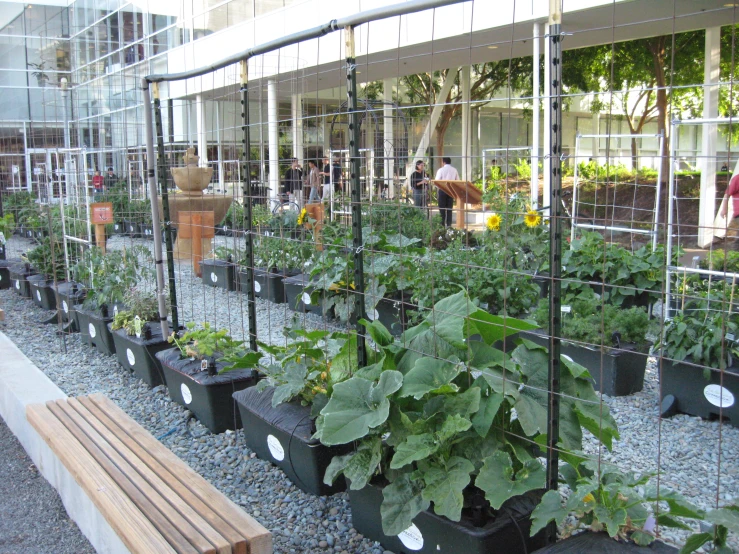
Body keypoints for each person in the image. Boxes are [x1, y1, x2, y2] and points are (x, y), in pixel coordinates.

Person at [434, 156, 459, 227]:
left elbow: (436, 182)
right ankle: (449, 225)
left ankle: (442, 225)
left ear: (443, 162)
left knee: (442, 208)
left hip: (442, 190)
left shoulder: (440, 170)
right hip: (451, 191)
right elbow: (457, 181)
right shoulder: (454, 170)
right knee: (449, 209)